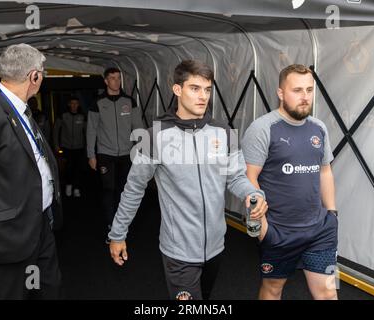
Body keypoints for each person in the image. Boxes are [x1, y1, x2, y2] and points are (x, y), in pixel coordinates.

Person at [108, 60, 268, 300]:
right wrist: (118, 234)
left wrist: (253, 193)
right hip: (178, 252)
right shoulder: (155, 136)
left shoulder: (224, 131)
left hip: (216, 247)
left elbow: (235, 177)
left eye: (207, 89)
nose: (203, 96)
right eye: (195, 88)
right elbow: (134, 188)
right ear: (177, 90)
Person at [0, 44, 62, 299]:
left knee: (47, 289)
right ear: (33, 77)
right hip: (6, 237)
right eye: (42, 73)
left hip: (38, 225)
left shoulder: (21, 108)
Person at [241, 64, 338, 300]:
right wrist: (260, 227)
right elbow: (248, 177)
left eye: (309, 90)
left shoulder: (319, 128)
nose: (305, 97)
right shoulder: (263, 128)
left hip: (319, 229)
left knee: (327, 291)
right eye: (297, 90)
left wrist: (332, 214)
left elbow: (325, 171)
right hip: (279, 231)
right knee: (273, 289)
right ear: (281, 93)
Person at [87, 67, 144, 243]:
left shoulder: (129, 101)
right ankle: (111, 226)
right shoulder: (97, 102)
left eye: (118, 78)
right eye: (112, 78)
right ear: (106, 81)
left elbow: (138, 127)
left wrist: (141, 150)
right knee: (109, 190)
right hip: (105, 154)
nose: (116, 81)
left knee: (124, 191)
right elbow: (91, 130)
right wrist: (91, 155)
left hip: (126, 154)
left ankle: (122, 225)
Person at [53, 96, 87, 198]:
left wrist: (87, 146)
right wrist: (56, 145)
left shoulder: (82, 116)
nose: (74, 105)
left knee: (77, 168)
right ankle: (68, 185)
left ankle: (76, 188)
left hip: (79, 147)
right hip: (66, 147)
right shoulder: (63, 116)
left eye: (76, 103)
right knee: (68, 168)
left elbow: (87, 132)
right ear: (69, 104)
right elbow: (55, 130)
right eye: (72, 103)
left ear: (78, 105)